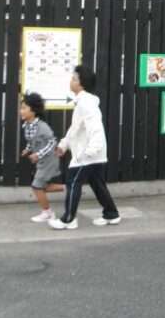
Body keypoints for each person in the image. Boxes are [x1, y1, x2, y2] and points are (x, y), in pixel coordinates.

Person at [48, 65, 121, 230]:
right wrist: (64, 145)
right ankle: (111, 214)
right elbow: (75, 128)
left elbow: (96, 127)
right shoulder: (82, 102)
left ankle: (68, 219)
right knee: (97, 183)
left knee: (73, 182)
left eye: (74, 79)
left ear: (81, 84)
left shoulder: (86, 103)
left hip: (87, 154)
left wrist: (92, 150)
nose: (71, 81)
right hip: (91, 153)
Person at [19, 91, 65, 222]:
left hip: (49, 160)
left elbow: (52, 142)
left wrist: (37, 154)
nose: (21, 111)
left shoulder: (42, 127)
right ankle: (70, 188)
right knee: (41, 187)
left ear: (33, 111)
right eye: (21, 108)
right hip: (42, 160)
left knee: (36, 187)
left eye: (24, 108)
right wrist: (27, 150)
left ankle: (48, 213)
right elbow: (32, 141)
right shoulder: (27, 126)